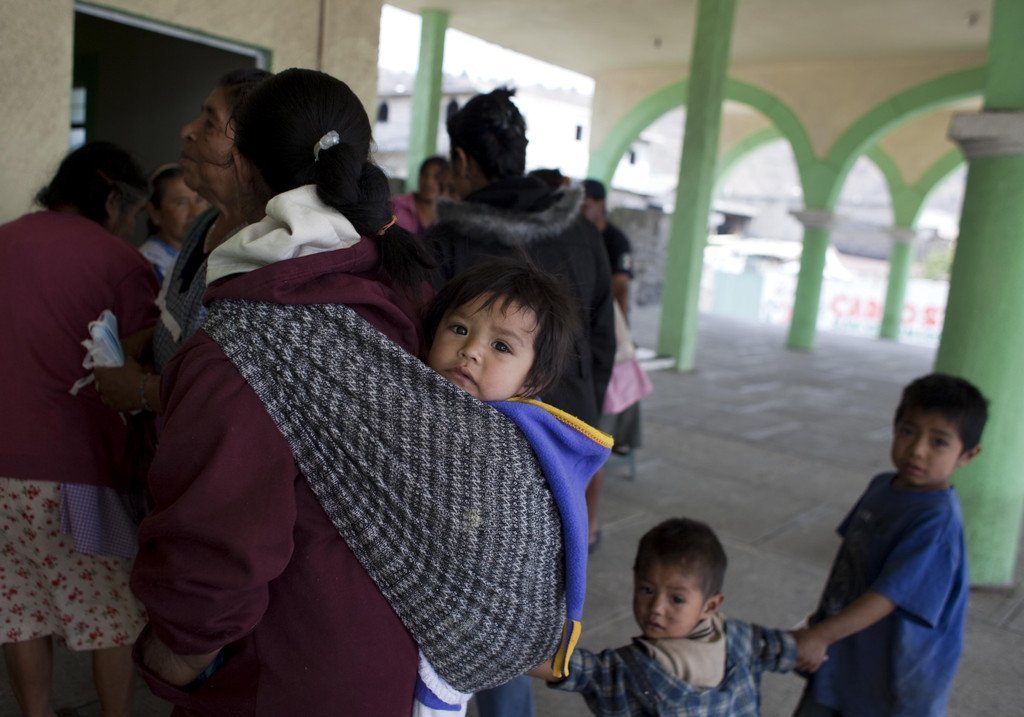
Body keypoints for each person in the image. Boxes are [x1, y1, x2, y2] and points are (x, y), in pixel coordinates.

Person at [130, 68, 570, 715]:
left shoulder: (238, 344)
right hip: (394, 665)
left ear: (242, 166)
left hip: (288, 678)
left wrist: (169, 661)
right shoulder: (408, 288)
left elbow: (216, 564)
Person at [429, 87, 616, 716]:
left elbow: (428, 353)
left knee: (472, 597)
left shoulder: (447, 241)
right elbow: (603, 341)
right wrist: (581, 429)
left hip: (470, 459)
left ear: (461, 160)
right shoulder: (583, 232)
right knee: (531, 592)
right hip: (563, 446)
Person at [0, 141, 159, 717]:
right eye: (132, 212)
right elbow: (137, 361)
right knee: (111, 616)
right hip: (81, 474)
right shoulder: (121, 262)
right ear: (113, 200)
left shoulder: (3, 240)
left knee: (18, 613)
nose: (130, 224)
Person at [417, 257, 613, 715]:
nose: (471, 351)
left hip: (465, 638)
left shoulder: (517, 451)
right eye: (459, 329)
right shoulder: (416, 402)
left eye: (501, 346)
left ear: (533, 379)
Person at [793, 373, 987, 717]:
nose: (918, 450)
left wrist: (822, 634)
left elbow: (889, 595)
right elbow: (853, 562)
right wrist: (822, 622)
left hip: (894, 675)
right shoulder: (882, 486)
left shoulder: (937, 522)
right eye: (908, 431)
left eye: (939, 442)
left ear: (968, 455)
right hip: (844, 651)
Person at [94, 68, 272, 415]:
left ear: (248, 151)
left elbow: (235, 392)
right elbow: (185, 320)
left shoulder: (263, 251)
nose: (186, 130)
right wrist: (150, 341)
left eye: (209, 122)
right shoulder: (204, 224)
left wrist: (142, 391)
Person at [532, 517, 798, 716]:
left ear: (710, 605)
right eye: (647, 590)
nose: (657, 607)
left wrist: (514, 648)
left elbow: (569, 668)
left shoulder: (632, 671)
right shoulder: (742, 638)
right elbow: (792, 648)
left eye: (677, 599)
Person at [137, 163, 208, 284]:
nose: (195, 213)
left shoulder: (203, 256)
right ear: (155, 213)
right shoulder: (150, 267)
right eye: (181, 203)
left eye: (199, 200)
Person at [393, 155, 450, 235]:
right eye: (424, 175)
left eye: (436, 177)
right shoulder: (397, 206)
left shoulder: (449, 215)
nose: (428, 182)